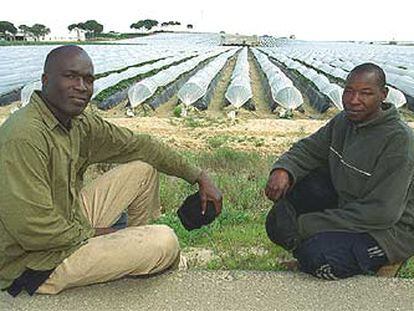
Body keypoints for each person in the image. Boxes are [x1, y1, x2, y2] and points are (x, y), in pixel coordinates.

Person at [0, 45, 222, 296]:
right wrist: (99, 235)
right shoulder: (24, 137)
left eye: (88, 79)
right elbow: (33, 230)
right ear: (45, 80)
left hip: (67, 217)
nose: (81, 86)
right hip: (36, 261)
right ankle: (138, 251)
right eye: (71, 76)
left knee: (143, 169)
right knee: (165, 240)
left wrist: (199, 176)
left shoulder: (77, 123)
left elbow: (142, 147)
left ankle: (133, 255)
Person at [265, 63, 414, 280]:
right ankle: (318, 250)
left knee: (319, 257)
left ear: (383, 95)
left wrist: (307, 225)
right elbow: (308, 149)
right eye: (349, 91)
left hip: (391, 229)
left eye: (365, 93)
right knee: (279, 221)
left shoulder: (399, 142)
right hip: (351, 209)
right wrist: (283, 170)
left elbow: (381, 213)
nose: (354, 100)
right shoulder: (344, 121)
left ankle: (387, 258)